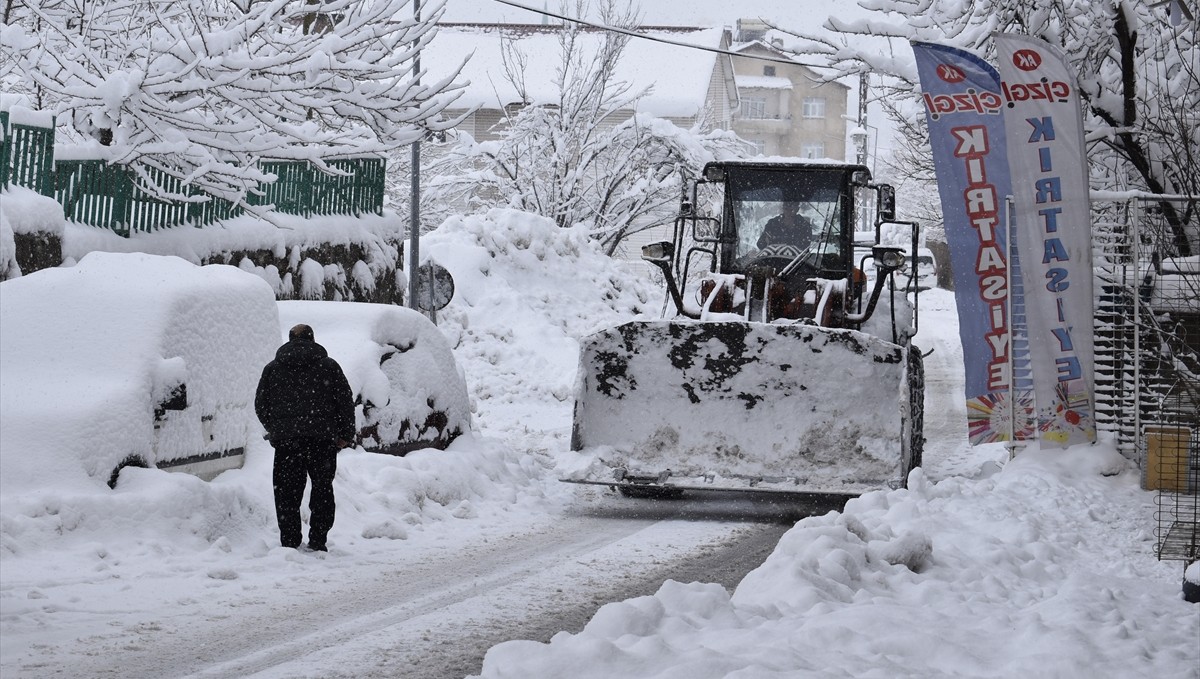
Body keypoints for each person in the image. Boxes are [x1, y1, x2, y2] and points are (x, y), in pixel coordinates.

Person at [255, 323, 355, 552]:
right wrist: (345, 435)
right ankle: (318, 540)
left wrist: (276, 428)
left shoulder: (273, 369)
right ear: (312, 339)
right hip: (322, 441)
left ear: (290, 340)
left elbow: (260, 404)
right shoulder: (329, 367)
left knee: (286, 493)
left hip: (287, 443)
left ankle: (289, 542)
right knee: (322, 489)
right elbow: (345, 401)